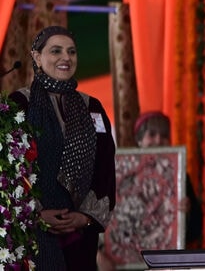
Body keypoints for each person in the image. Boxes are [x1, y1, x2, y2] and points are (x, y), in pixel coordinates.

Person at [9, 26, 116, 271]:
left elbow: (105, 168)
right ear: (37, 57)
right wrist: (35, 214)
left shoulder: (92, 108)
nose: (65, 58)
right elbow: (10, 171)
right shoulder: (19, 105)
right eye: (55, 51)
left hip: (79, 235)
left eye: (71, 52)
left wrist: (86, 217)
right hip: (34, 234)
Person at [133, 111, 203, 246]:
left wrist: (188, 212)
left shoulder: (180, 176)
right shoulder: (124, 174)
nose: (159, 141)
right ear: (140, 140)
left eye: (164, 136)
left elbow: (195, 231)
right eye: (152, 135)